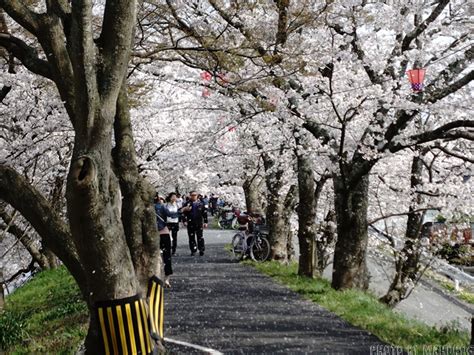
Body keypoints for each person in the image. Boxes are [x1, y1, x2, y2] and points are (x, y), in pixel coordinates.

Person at [181, 191, 208, 256]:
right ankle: (193, 250)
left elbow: (204, 213)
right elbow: (183, 213)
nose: (193, 196)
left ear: (197, 195)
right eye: (192, 195)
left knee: (200, 236)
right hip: (190, 222)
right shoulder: (187, 203)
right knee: (191, 237)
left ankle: (201, 249)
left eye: (195, 195)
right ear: (190, 196)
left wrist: (205, 222)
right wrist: (184, 220)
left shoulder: (201, 203)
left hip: (199, 222)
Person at [154, 196, 172, 287]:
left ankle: (157, 278)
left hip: (152, 234)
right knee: (167, 256)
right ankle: (166, 278)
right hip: (164, 232)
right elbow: (170, 214)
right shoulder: (161, 206)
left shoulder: (146, 207)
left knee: (155, 256)